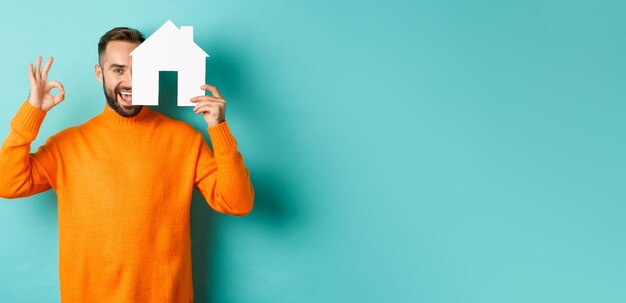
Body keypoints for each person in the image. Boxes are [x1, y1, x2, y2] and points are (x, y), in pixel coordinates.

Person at [0, 26, 254, 302]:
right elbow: (8, 183)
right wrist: (32, 111)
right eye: (118, 70)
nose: (131, 81)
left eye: (138, 69)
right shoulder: (68, 145)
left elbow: (237, 202)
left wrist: (219, 128)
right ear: (100, 74)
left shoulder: (185, 140)